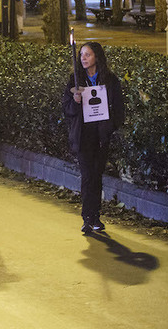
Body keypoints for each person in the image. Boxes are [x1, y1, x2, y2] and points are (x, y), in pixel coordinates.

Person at [62, 41, 125, 234]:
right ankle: (87, 217)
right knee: (88, 176)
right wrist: (76, 101)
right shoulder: (75, 80)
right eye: (81, 55)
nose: (83, 58)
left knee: (97, 176)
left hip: (100, 137)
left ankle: (95, 216)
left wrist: (109, 127)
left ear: (97, 56)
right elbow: (67, 109)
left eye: (87, 55)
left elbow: (119, 110)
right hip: (83, 136)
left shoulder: (110, 80)